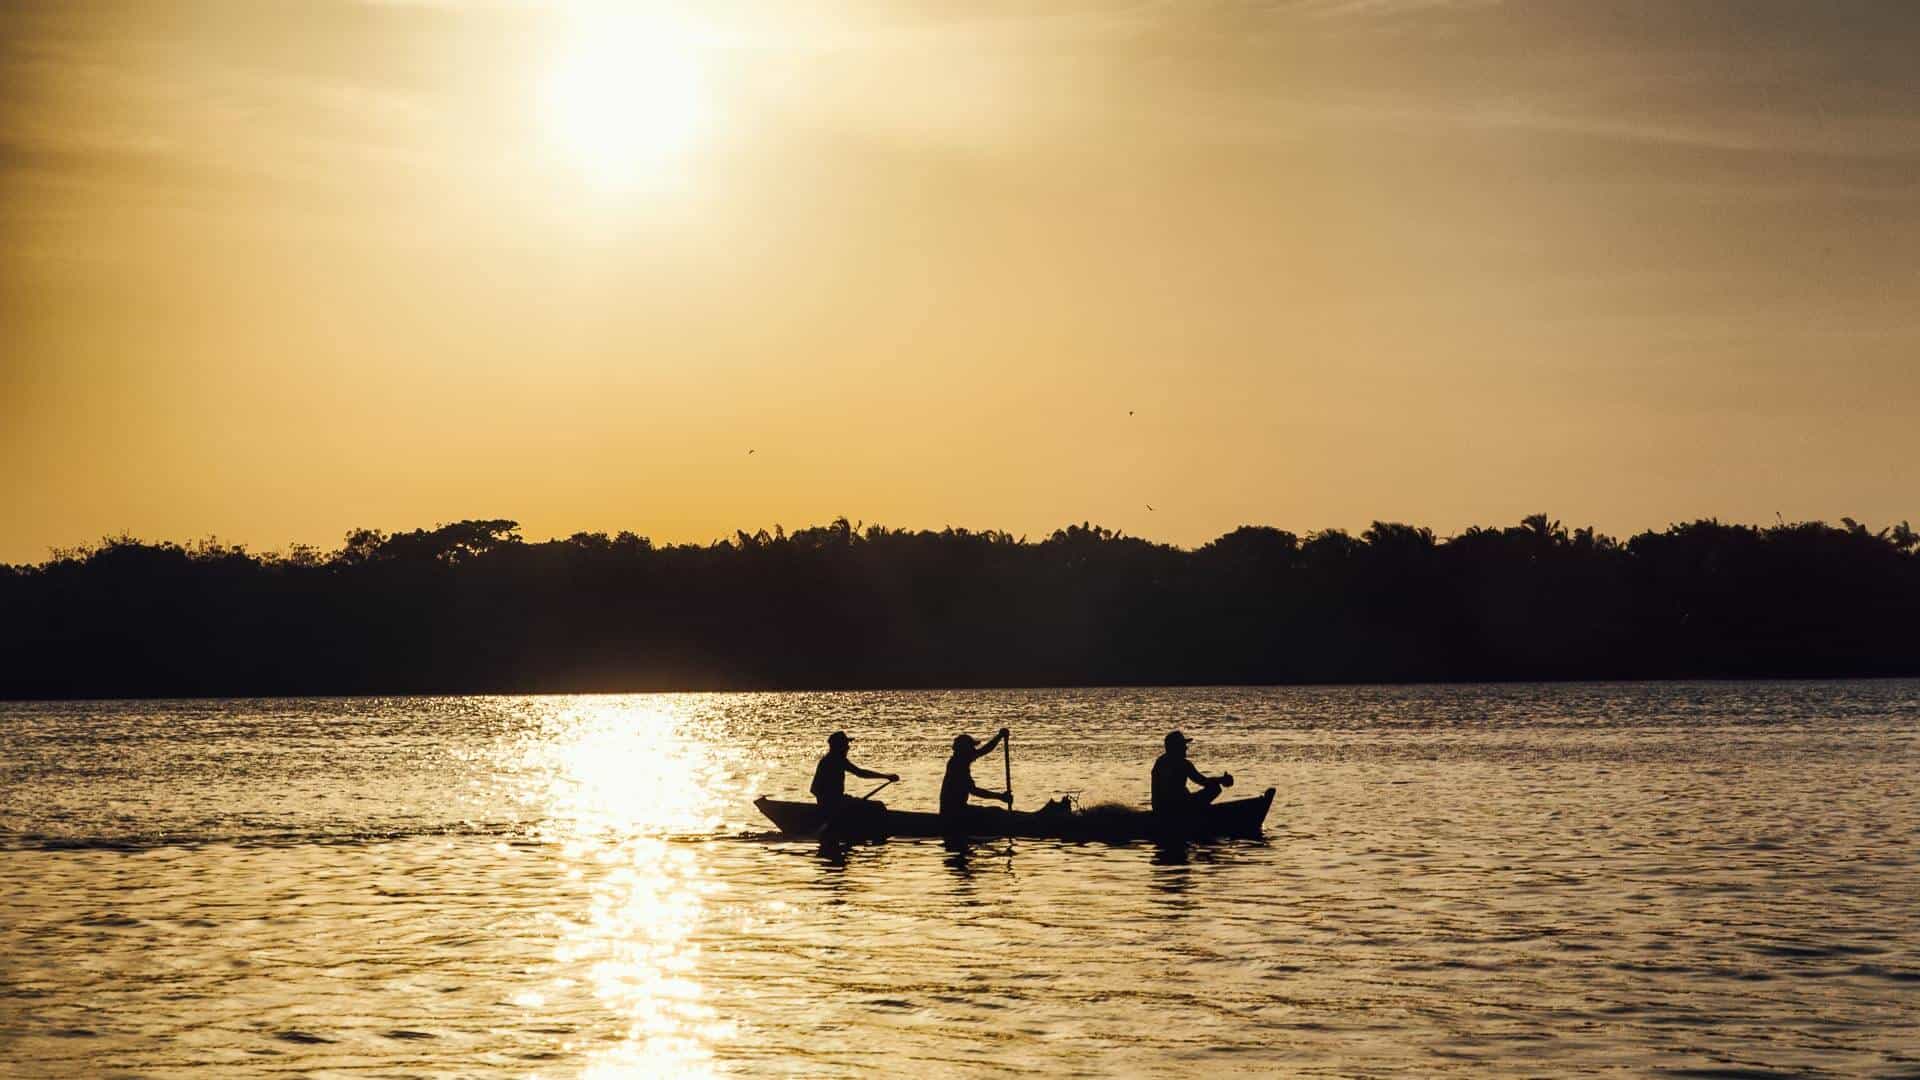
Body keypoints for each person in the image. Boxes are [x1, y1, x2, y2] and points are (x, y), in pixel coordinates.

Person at [811, 731, 898, 816]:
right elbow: (860, 773)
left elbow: (814, 790)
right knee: (878, 806)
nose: (848, 748)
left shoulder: (833, 759)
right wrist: (832, 803)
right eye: (845, 745)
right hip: (833, 805)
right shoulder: (835, 760)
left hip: (835, 803)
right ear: (839, 746)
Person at [1151, 730, 1232, 818]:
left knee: (1213, 788)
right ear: (1176, 747)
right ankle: (1199, 815)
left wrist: (1221, 780)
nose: (1186, 748)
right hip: (1173, 808)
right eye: (1183, 745)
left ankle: (1197, 812)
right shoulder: (1180, 764)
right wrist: (1222, 780)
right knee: (1215, 788)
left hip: (1164, 807)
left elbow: (1202, 781)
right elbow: (1203, 781)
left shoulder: (1162, 762)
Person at [940, 728, 1012, 820]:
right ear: (965, 750)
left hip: (958, 810)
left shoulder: (961, 760)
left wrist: (999, 737)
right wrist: (1000, 796)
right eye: (972, 748)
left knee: (996, 811)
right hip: (954, 813)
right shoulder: (958, 766)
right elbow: (974, 791)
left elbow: (984, 751)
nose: (974, 750)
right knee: (995, 813)